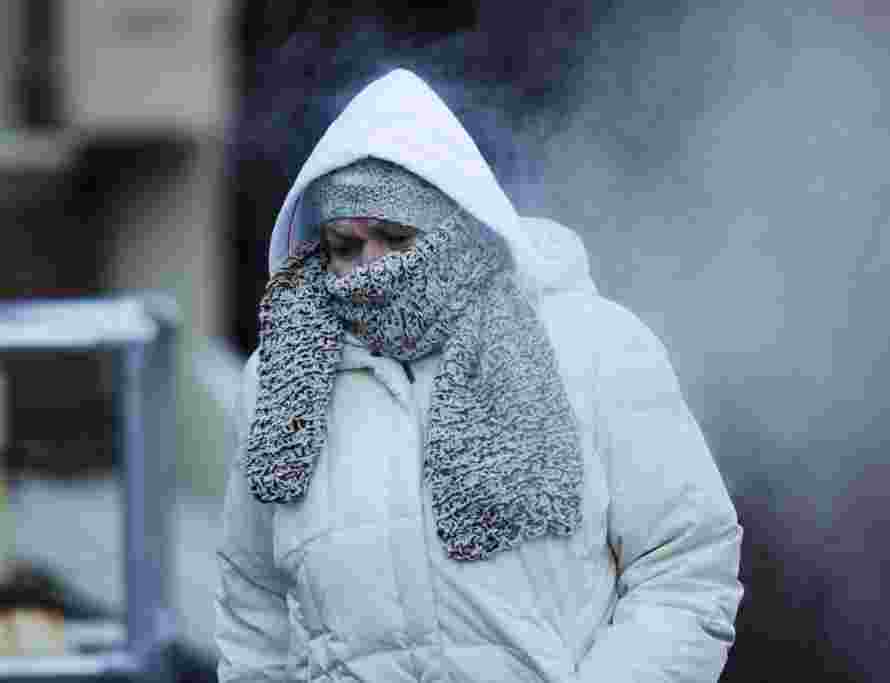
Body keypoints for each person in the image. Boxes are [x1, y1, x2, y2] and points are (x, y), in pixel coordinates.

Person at [215, 68, 743, 683]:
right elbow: (253, 609)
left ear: (455, 221)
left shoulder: (593, 348)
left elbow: (684, 571)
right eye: (345, 246)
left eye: (395, 236)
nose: (371, 268)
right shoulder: (281, 383)